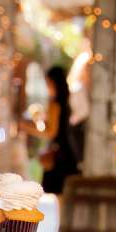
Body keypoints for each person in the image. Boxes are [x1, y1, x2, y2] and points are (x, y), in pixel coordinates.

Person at [40, 61, 81, 195]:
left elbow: (51, 132)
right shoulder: (65, 103)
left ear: (53, 82)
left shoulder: (55, 105)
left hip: (59, 157)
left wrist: (24, 126)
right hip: (68, 154)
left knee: (56, 195)